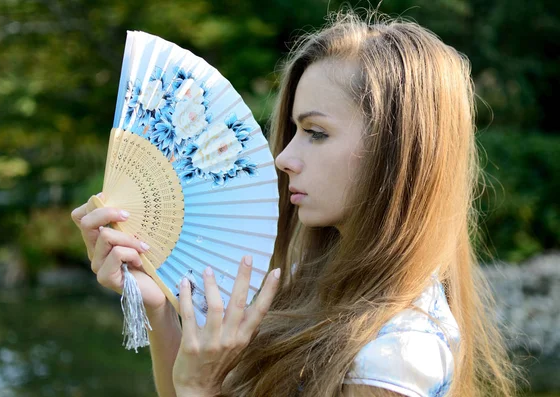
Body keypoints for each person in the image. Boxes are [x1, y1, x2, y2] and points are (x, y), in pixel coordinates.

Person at [71, 11, 518, 397]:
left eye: (316, 133)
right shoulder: (315, 284)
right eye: (293, 131)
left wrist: (199, 389)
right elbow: (190, 385)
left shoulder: (398, 354)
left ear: (397, 152)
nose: (283, 158)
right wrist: (158, 307)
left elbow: (196, 389)